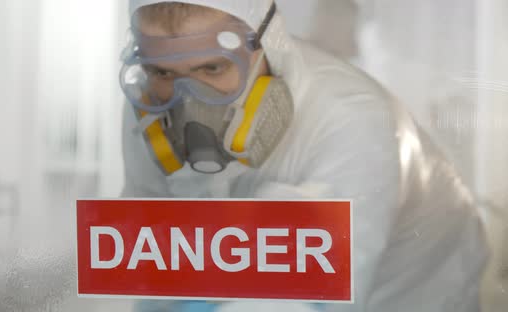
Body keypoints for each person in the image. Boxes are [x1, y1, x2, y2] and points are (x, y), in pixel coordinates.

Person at [119, 1, 488, 311]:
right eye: (163, 71)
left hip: (412, 294)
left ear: (267, 46)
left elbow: (307, 298)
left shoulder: (353, 121)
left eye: (213, 68)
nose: (188, 99)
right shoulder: (153, 105)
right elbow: (150, 256)